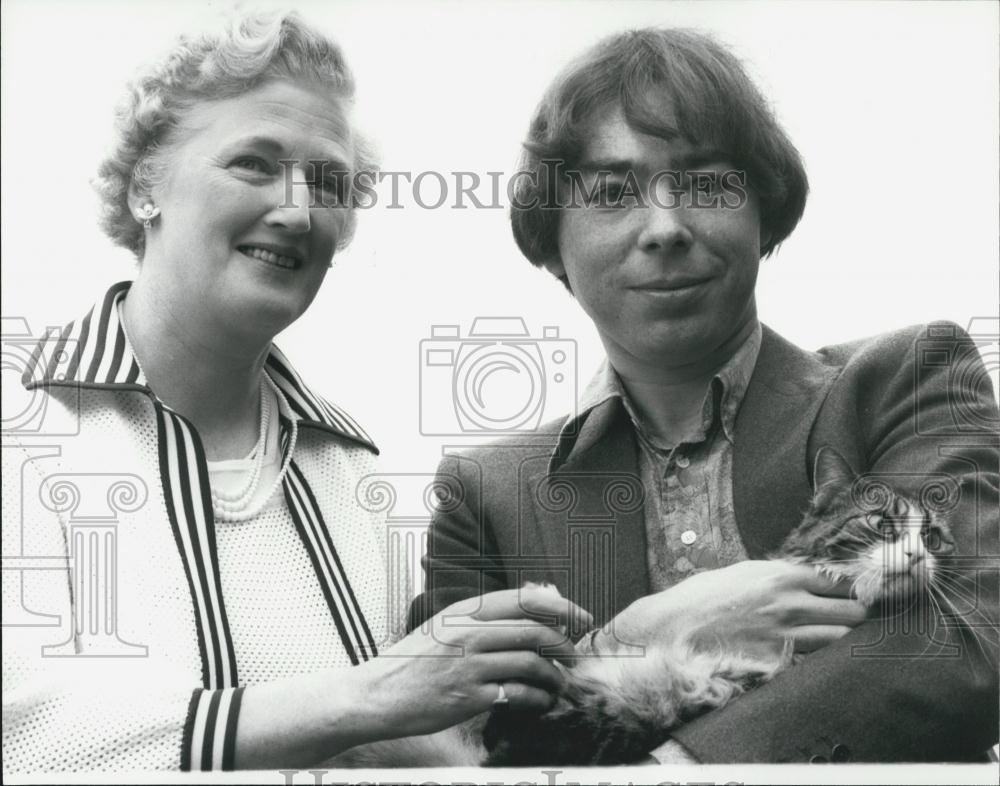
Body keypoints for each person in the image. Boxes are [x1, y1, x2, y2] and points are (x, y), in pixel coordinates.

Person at [0, 11, 590, 773]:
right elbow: (24, 728)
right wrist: (368, 696)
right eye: (252, 162)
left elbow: (385, 739)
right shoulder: (24, 428)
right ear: (148, 184)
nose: (299, 209)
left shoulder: (350, 471)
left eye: (330, 182)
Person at [409, 28, 999, 763]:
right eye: (612, 193)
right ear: (552, 241)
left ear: (764, 211)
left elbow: (972, 640)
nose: (664, 227)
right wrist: (639, 636)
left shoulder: (906, 380)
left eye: (706, 184)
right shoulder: (485, 495)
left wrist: (673, 771)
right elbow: (450, 734)